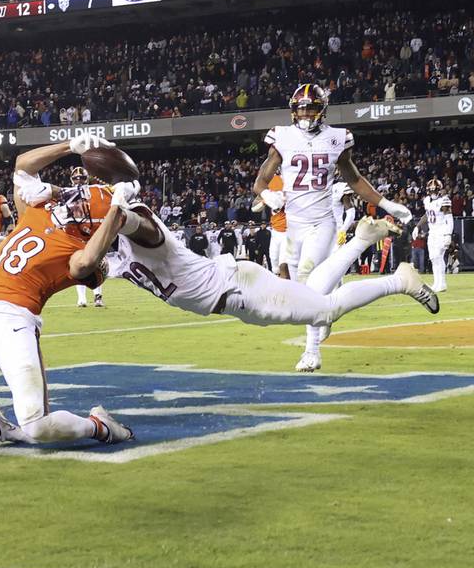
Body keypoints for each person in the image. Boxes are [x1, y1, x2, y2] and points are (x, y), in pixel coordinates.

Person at [0, 136, 134, 447]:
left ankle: (99, 426)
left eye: (82, 202)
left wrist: (118, 207)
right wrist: (71, 146)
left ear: (93, 223)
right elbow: (23, 166)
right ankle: (2, 429)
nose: (71, 201)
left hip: (16, 326)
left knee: (38, 427)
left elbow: (90, 262)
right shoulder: (36, 212)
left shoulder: (76, 251)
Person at [105, 187, 436, 368]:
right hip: (236, 288)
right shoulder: (118, 254)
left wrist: (114, 201)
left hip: (239, 288)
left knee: (324, 310)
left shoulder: (144, 231)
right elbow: (85, 264)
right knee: (312, 294)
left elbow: (125, 228)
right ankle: (362, 240)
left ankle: (399, 280)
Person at [254, 83, 414, 372]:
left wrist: (387, 204)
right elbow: (260, 182)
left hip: (322, 222)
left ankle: (311, 351)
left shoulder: (337, 138)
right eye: (301, 108)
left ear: (322, 110)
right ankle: (328, 313)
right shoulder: (283, 137)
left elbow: (354, 179)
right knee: (299, 291)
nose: (305, 113)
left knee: (309, 284)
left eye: (311, 107)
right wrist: (267, 195)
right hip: (293, 224)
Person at [69, 165, 107, 308]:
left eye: (82, 178)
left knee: (97, 265)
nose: (79, 181)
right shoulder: (68, 194)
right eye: (76, 179)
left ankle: (98, 296)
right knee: (79, 266)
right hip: (77, 233)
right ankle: (82, 298)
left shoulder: (95, 192)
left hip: (93, 232)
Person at [422, 179, 455, 292]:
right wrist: (417, 226)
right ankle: (437, 283)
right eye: (431, 191)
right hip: (432, 232)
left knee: (437, 256)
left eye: (435, 190)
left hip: (441, 231)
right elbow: (427, 215)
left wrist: (448, 234)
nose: (433, 193)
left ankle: (442, 283)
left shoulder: (444, 200)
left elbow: (449, 218)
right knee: (433, 258)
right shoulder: (426, 200)